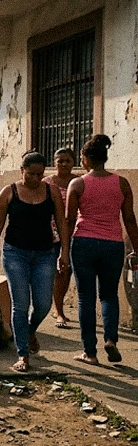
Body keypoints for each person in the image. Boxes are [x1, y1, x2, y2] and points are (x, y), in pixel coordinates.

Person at [0, 151, 69, 373]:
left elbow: (61, 221)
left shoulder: (51, 191)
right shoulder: (8, 192)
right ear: (22, 170)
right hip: (15, 254)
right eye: (31, 174)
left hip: (45, 254)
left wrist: (65, 252)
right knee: (20, 304)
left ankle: (30, 331)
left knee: (43, 304)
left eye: (40, 174)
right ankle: (22, 354)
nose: (35, 178)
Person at [66, 135, 138, 365]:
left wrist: (63, 251)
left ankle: (90, 352)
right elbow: (129, 219)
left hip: (84, 243)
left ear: (86, 159)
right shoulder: (122, 183)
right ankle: (111, 340)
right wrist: (137, 248)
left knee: (86, 298)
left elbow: (68, 221)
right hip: (113, 245)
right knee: (109, 295)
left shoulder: (77, 184)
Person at [44, 148, 79, 328]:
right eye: (60, 161)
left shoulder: (79, 181)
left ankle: (59, 308)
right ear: (54, 162)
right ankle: (57, 309)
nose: (64, 164)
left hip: (74, 232)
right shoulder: (47, 183)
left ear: (74, 162)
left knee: (66, 271)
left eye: (67, 161)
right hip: (51, 233)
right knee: (56, 271)